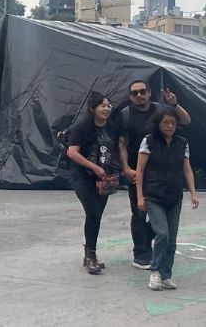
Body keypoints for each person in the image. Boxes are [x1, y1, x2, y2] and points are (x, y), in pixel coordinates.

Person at [114, 80, 191, 269]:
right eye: (134, 93)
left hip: (161, 173)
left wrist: (174, 104)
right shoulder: (125, 115)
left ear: (149, 93)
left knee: (159, 216)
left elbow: (185, 120)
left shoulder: (159, 110)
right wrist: (125, 168)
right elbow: (122, 144)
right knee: (140, 213)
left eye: (142, 91)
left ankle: (155, 248)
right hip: (137, 172)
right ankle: (141, 253)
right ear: (130, 96)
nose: (139, 95)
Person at [135, 107, 200, 291]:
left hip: (175, 196)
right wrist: (140, 196)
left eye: (173, 123)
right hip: (154, 196)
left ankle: (166, 275)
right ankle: (155, 271)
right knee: (162, 234)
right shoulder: (149, 141)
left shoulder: (182, 143)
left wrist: (193, 192)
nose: (170, 126)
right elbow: (139, 171)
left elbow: (187, 170)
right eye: (166, 122)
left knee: (171, 238)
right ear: (158, 123)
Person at [66, 92, 121, 275]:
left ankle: (90, 253)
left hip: (104, 177)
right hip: (83, 176)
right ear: (92, 108)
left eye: (108, 105)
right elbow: (72, 152)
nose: (106, 108)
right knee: (93, 211)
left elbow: (116, 149)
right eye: (102, 105)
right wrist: (94, 167)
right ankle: (90, 255)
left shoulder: (112, 128)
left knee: (97, 215)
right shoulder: (81, 127)